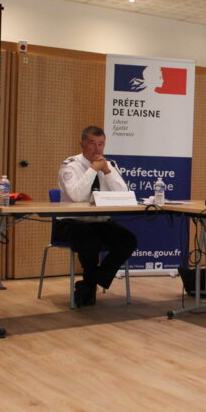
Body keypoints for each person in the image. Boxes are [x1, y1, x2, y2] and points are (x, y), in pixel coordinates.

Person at [57, 126, 138, 307]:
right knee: (88, 238)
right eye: (92, 143)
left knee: (128, 240)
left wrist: (107, 172)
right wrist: (93, 169)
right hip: (71, 222)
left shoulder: (110, 165)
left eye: (101, 144)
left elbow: (124, 195)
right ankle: (89, 286)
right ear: (82, 144)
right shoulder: (70, 165)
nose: (97, 148)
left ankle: (89, 283)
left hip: (99, 221)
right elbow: (76, 196)